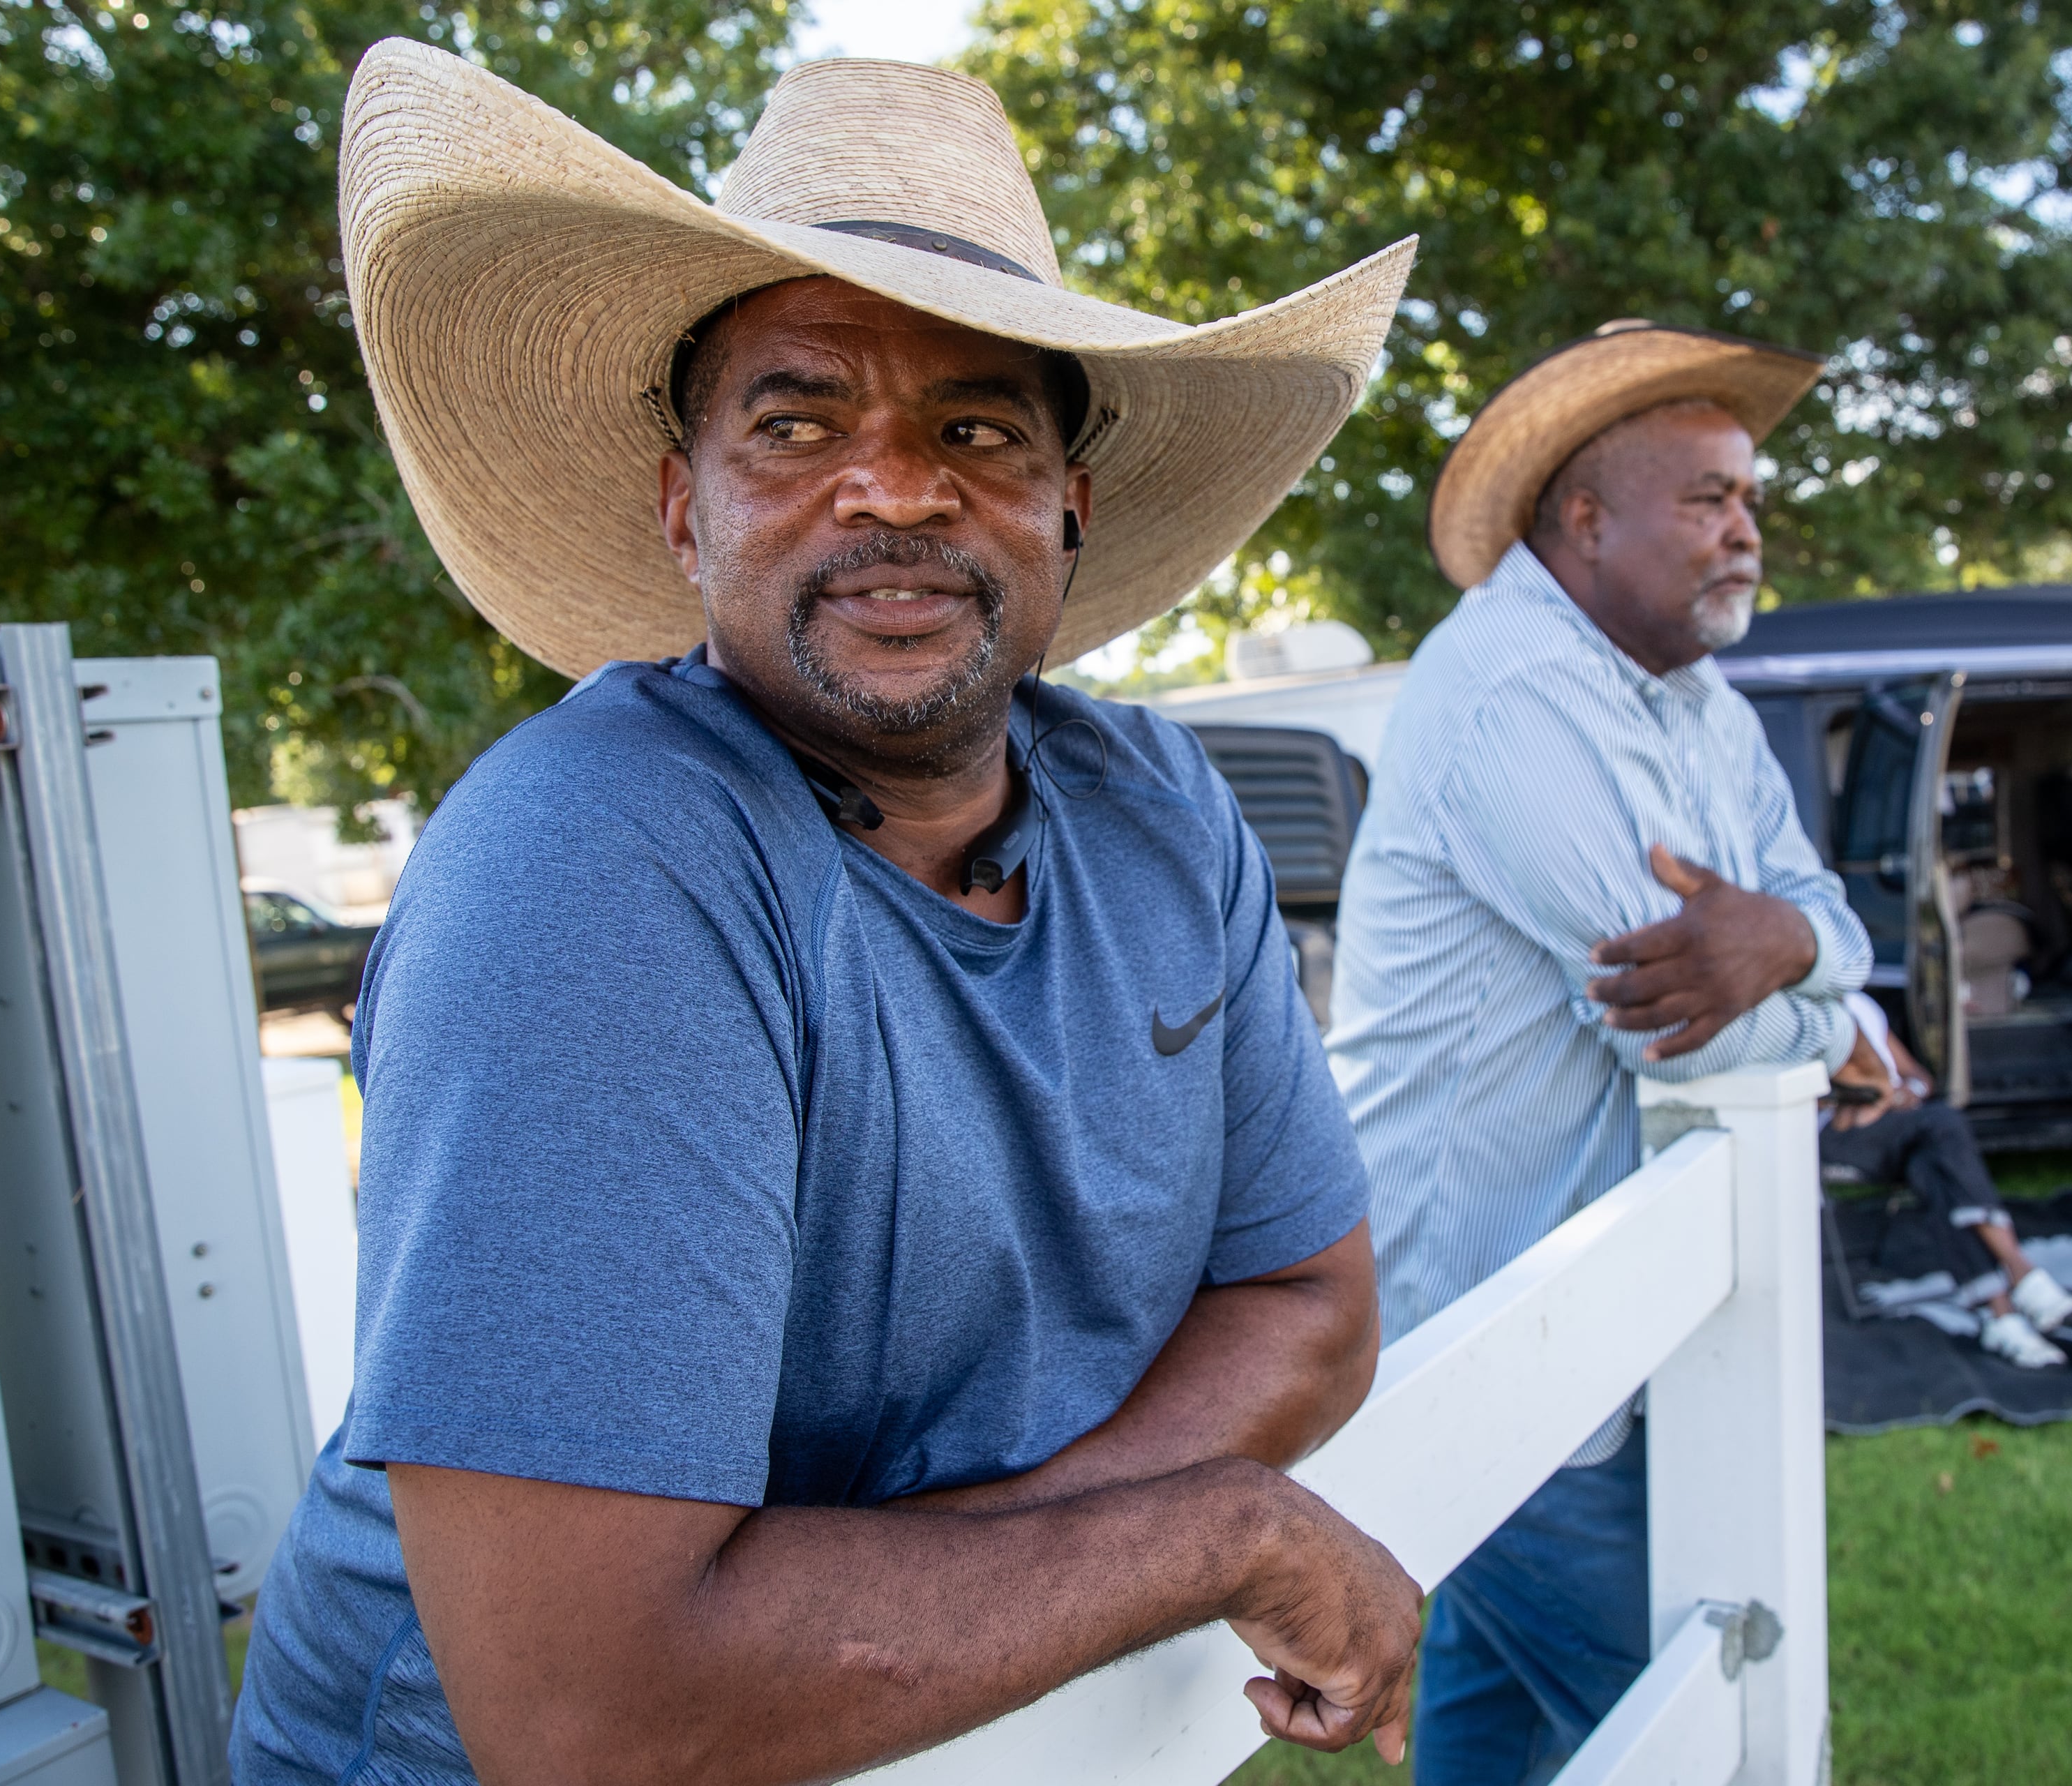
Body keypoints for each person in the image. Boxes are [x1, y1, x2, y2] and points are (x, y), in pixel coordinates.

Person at [235, 43, 1428, 1784]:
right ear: (681, 504)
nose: (892, 486)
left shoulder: (1164, 813)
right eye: (794, 422)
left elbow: (1311, 1301)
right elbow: (596, 1711)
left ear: (1065, 502)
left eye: (975, 426)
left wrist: (957, 1581)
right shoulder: (592, 861)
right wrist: (1208, 1533)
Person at [1328, 321, 1875, 1786]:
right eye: (1708, 496)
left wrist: (1806, 949)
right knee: (1712, 1738)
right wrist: (1831, 994)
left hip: (1585, 1327)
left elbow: (1818, 920)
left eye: (1749, 496)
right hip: (1482, 1335)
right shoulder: (1514, 691)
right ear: (1586, 518)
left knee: (1493, 1724)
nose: (1747, 526)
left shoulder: (1697, 699)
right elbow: (1675, 1007)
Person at [1824, 993, 2072, 1366]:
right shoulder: (1807, 1015)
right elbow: (1825, 1106)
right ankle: (2019, 1269)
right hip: (1842, 1140)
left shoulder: (1860, 1004)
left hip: (1903, 1132)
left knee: (1932, 1170)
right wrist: (1872, 1103)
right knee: (1944, 1124)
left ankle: (2001, 1315)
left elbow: (1918, 1076)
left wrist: (1907, 1093)